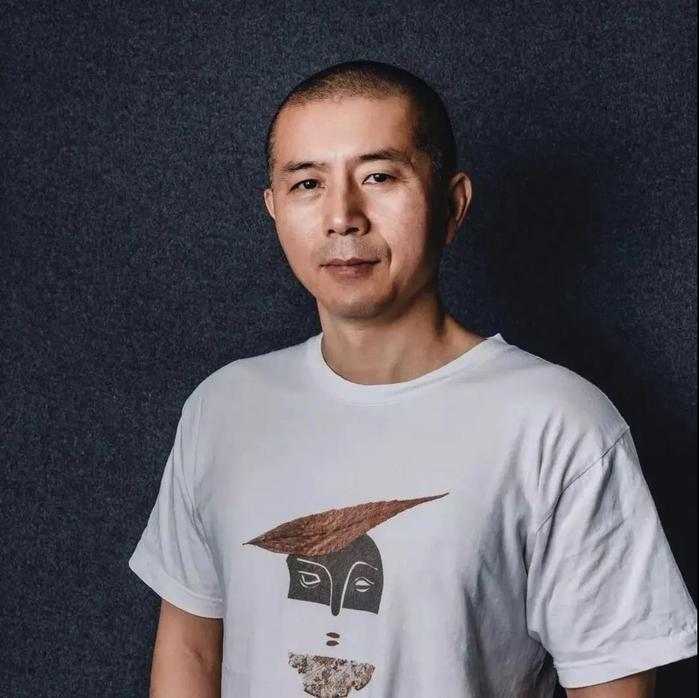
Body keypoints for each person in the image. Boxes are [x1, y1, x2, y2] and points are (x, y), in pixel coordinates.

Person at [128, 59, 697, 698]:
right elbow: (190, 651)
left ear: (452, 205)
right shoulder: (223, 408)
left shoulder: (558, 424)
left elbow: (612, 684)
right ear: (274, 208)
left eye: (378, 176)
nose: (343, 216)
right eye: (307, 183)